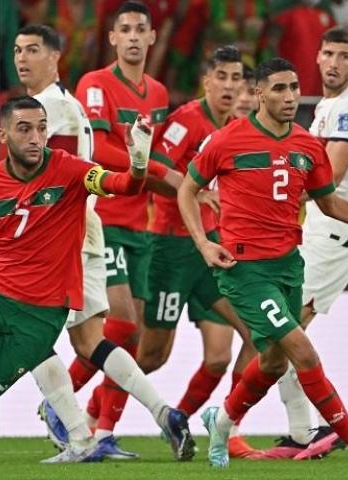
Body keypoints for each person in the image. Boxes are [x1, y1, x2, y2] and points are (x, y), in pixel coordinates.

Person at [0, 96, 193, 479]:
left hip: (39, 320)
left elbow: (122, 185)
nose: (35, 137)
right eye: (24, 129)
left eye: (42, 128)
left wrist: (139, 162)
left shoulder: (72, 171)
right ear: (3, 134)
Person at [178, 57, 348, 470]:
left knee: (273, 361)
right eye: (278, 89)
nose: (289, 97)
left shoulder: (308, 146)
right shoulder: (227, 141)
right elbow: (187, 189)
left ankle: (221, 421)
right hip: (245, 271)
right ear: (258, 94)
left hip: (289, 267)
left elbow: (330, 202)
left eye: (293, 88)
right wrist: (202, 243)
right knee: (303, 353)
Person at [12, 24, 194, 461]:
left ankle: (74, 431)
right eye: (18, 50)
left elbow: (54, 176)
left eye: (33, 50)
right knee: (93, 340)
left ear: (55, 57)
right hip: (87, 228)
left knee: (29, 331)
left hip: (58, 235)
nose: (22, 59)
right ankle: (160, 412)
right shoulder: (66, 104)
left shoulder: (51, 110)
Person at [70, 0, 181, 455]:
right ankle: (63, 406)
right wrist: (161, 170)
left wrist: (177, 181)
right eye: (125, 30)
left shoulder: (157, 93)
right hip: (103, 217)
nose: (134, 36)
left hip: (140, 223)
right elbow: (97, 150)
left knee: (130, 334)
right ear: (112, 39)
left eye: (141, 29)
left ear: (152, 37)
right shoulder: (94, 85)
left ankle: (101, 431)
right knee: (122, 321)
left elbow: (146, 160)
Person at [137, 44, 259, 458]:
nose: (229, 86)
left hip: (209, 250)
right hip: (171, 246)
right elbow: (151, 165)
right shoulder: (187, 119)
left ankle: (201, 420)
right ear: (206, 80)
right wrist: (194, 190)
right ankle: (90, 418)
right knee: (151, 355)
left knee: (248, 336)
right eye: (221, 77)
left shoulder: (233, 128)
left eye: (235, 78)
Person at [266, 25, 348, 460]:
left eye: (343, 56)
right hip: (315, 230)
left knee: (285, 333)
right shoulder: (328, 107)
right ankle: (303, 431)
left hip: (334, 236)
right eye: (328, 54)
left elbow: (325, 177)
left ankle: (308, 430)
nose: (333, 63)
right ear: (317, 57)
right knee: (280, 334)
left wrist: (267, 188)